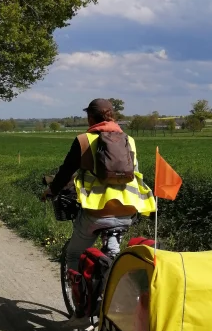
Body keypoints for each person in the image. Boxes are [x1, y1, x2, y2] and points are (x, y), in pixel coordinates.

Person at [42, 98, 156, 273]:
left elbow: (65, 173)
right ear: (112, 117)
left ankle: (77, 296)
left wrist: (51, 190)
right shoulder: (129, 140)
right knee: (112, 253)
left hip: (97, 212)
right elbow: (135, 173)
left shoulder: (83, 141)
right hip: (129, 211)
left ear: (90, 118)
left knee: (73, 253)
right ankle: (111, 281)